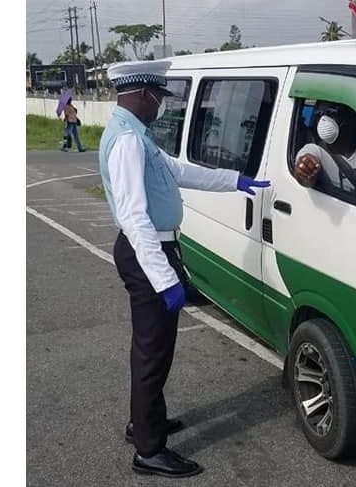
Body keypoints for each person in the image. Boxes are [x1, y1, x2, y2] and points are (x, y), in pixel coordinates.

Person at [98, 59, 270, 479]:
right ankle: (149, 450)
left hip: (152, 249)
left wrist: (235, 181)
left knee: (151, 349)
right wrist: (165, 280)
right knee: (153, 353)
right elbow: (135, 218)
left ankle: (146, 423)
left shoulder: (137, 136)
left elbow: (179, 172)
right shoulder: (127, 142)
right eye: (158, 98)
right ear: (141, 95)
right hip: (148, 252)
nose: (160, 106)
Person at [293, 104, 356, 191]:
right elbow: (305, 177)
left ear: (348, 116)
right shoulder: (318, 151)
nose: (323, 119)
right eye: (319, 114)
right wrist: (305, 169)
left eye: (331, 112)